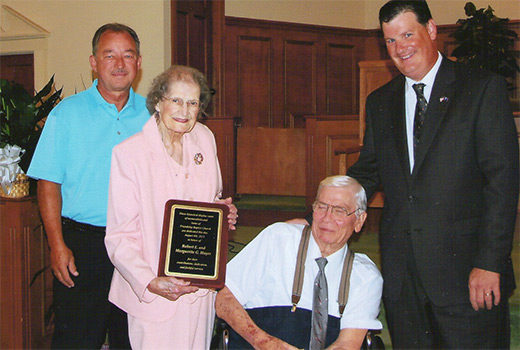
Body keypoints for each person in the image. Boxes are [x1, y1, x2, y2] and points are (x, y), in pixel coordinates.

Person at [345, 1, 519, 348]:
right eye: (390, 41)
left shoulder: (482, 88)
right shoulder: (380, 101)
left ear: (432, 30)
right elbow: (367, 172)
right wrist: (322, 210)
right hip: (403, 278)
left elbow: (503, 183)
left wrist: (489, 262)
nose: (400, 47)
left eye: (408, 34)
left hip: (468, 274)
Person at [27, 23, 149, 348]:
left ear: (138, 63)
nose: (119, 64)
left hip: (139, 245)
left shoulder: (154, 117)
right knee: (77, 341)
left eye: (128, 55)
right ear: (94, 62)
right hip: (82, 247)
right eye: (109, 55)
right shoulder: (65, 115)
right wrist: (57, 245)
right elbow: (48, 184)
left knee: (134, 341)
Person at [104, 65, 238, 349]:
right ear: (157, 102)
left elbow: (211, 200)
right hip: (154, 293)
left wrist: (222, 213)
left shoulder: (205, 138)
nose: (185, 111)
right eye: (176, 100)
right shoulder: (129, 154)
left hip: (199, 290)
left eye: (193, 102)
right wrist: (149, 281)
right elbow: (119, 237)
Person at [216, 175, 383, 349]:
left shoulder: (365, 276)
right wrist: (264, 342)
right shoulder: (278, 239)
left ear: (359, 220)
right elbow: (224, 300)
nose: (327, 217)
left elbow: (347, 344)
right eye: (321, 207)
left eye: (339, 210)